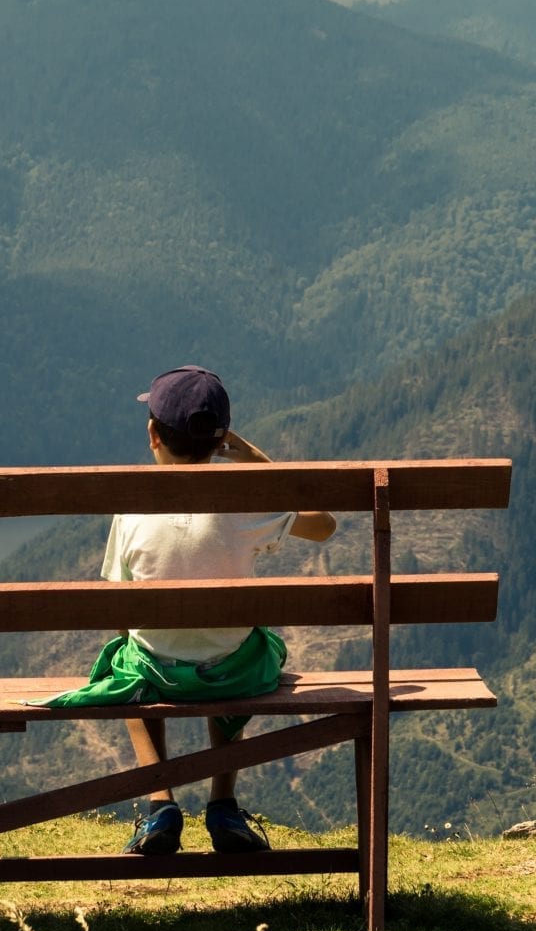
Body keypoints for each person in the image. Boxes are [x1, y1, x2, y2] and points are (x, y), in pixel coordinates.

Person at [47, 365, 336, 856]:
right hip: (232, 673)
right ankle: (223, 802)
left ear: (153, 435)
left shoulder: (132, 505)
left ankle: (161, 803)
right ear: (220, 441)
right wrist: (253, 458)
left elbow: (119, 606)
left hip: (155, 670)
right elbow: (324, 525)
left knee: (126, 657)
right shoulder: (247, 502)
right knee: (247, 647)